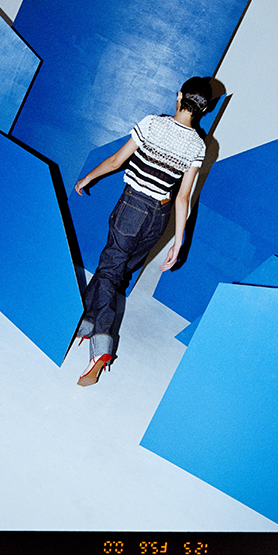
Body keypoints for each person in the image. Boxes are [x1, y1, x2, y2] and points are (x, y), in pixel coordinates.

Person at [73, 76, 212, 386]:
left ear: (179, 96)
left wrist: (88, 177)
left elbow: (116, 161)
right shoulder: (198, 145)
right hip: (159, 217)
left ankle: (101, 346)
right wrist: (178, 240)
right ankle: (86, 323)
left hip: (132, 208)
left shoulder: (152, 123)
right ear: (204, 109)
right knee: (117, 272)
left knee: (109, 271)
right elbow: (183, 197)